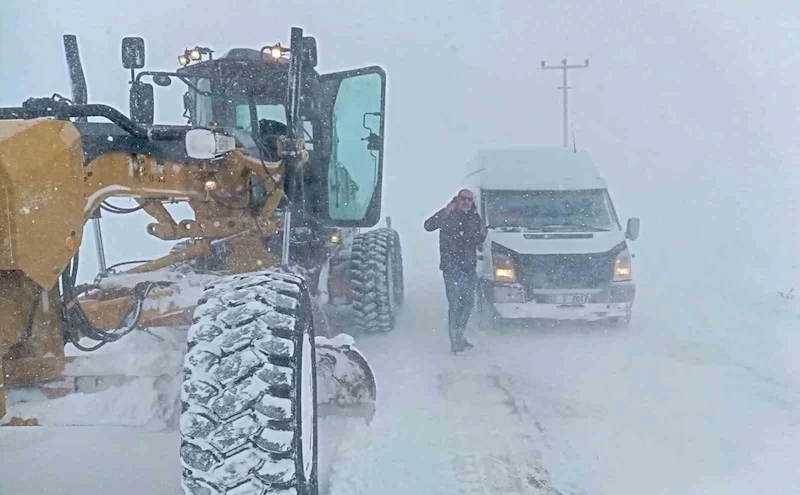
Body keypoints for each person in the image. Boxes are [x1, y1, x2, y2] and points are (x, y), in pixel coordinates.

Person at [424, 188, 489, 353]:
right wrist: (446, 211)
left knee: (467, 304)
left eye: (470, 199)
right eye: (463, 198)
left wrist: (482, 235)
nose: (467, 202)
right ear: (458, 199)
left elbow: (474, 240)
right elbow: (428, 226)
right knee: (455, 304)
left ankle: (459, 336)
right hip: (451, 267)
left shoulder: (474, 217)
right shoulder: (448, 214)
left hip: (468, 266)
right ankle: (455, 342)